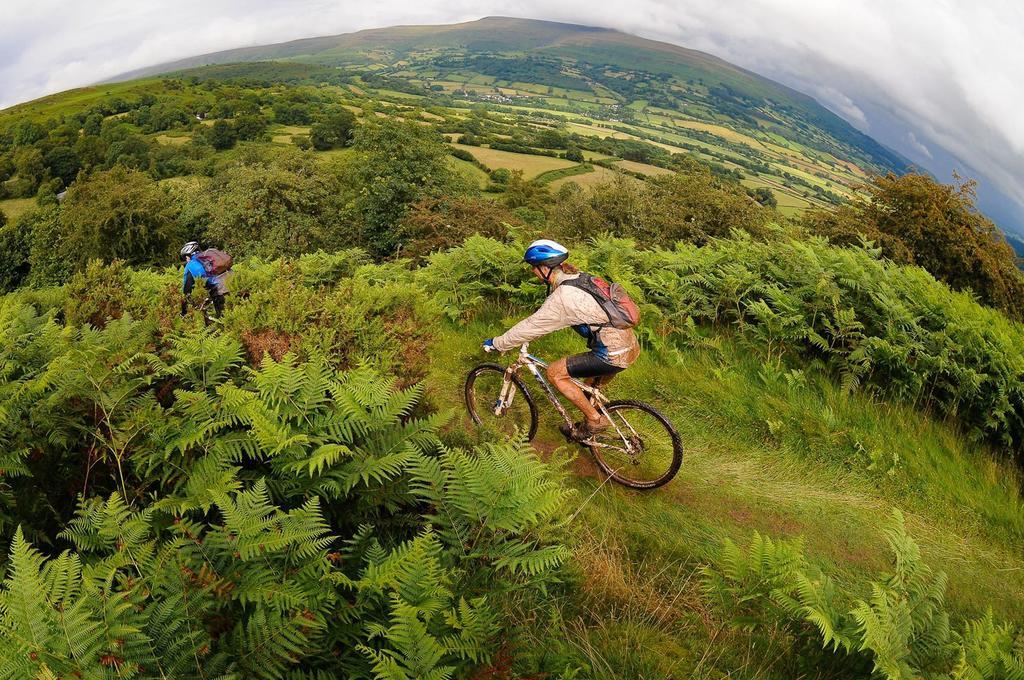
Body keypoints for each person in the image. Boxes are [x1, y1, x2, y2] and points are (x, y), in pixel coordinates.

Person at [484, 239, 640, 440]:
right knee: (589, 387)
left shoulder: (565, 296)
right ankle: (590, 432)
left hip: (611, 354)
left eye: (534, 267)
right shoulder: (582, 278)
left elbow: (532, 326)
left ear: (545, 268)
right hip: (630, 347)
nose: (533, 272)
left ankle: (594, 421)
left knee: (555, 373)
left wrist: (497, 343)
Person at [180, 241, 227, 318]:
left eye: (185, 257)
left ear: (188, 256)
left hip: (220, 290)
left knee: (224, 319)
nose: (186, 260)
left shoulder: (191, 264)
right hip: (233, 281)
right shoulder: (208, 258)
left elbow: (187, 290)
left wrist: (184, 311)